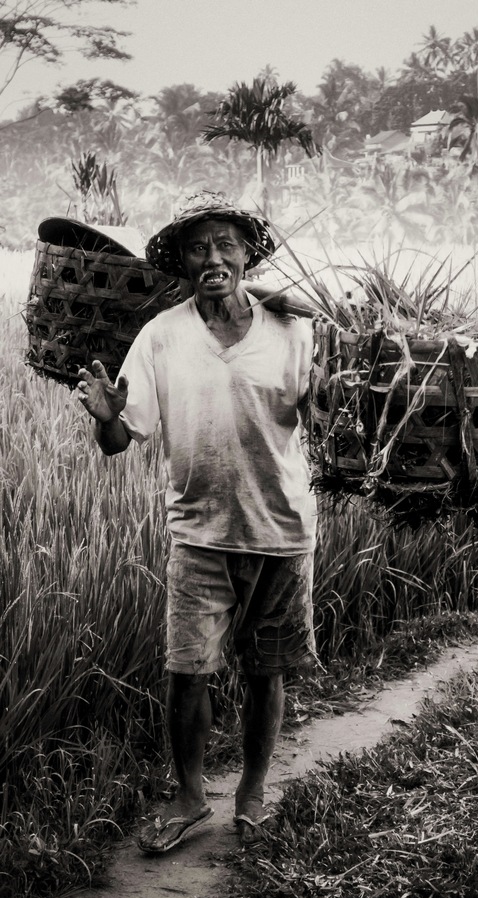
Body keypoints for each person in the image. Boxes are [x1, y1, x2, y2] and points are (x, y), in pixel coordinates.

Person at [77, 190, 318, 852]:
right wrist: (106, 419)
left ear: (247, 256)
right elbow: (126, 437)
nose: (212, 257)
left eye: (225, 245)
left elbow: (329, 413)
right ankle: (188, 796)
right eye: (197, 247)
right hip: (198, 532)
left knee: (267, 671)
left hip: (281, 528)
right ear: (182, 262)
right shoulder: (162, 334)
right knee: (187, 670)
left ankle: (252, 795)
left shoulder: (293, 330)